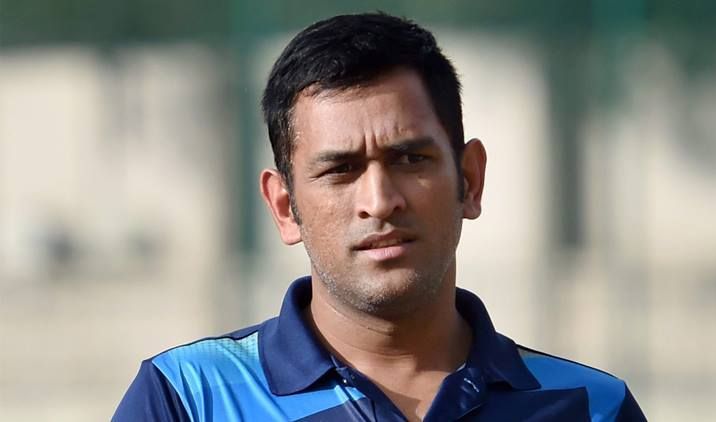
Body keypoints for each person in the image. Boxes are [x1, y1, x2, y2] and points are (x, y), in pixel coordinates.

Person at [113, 12, 646, 422]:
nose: (380, 200)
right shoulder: (188, 400)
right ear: (285, 207)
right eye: (340, 170)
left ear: (470, 180)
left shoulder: (592, 407)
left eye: (410, 159)